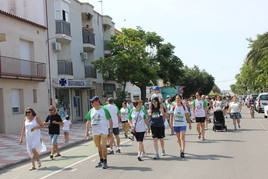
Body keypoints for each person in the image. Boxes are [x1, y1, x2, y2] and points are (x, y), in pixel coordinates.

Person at [84, 96, 113, 169]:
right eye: (91, 102)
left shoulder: (104, 110)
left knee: (103, 146)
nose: (91, 103)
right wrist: (86, 132)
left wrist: (111, 130)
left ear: (97, 102)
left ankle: (105, 162)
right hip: (95, 132)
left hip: (103, 131)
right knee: (99, 147)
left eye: (92, 102)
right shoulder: (91, 110)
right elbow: (88, 121)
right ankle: (101, 161)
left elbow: (110, 119)